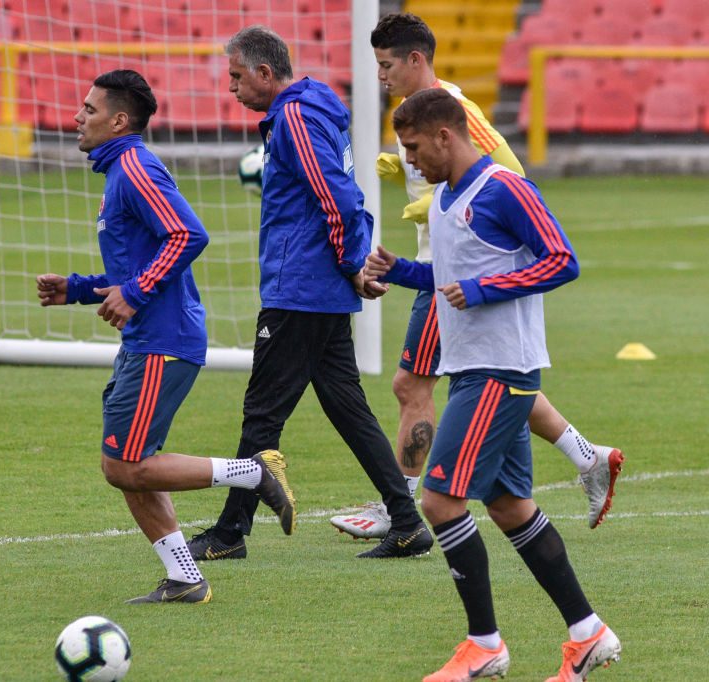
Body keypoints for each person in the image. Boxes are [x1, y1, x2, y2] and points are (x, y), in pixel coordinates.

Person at [330, 13, 623, 541]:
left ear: (415, 60)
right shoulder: (413, 115)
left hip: (463, 274)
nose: (381, 75)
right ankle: (588, 457)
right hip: (441, 270)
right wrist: (409, 177)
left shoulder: (454, 108)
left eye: (386, 64)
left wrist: (434, 205)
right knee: (494, 384)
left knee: (412, 384)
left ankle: (399, 505)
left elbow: (509, 174)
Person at [364, 88, 621, 682]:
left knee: (438, 499)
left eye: (413, 148)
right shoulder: (445, 199)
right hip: (471, 367)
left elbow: (562, 260)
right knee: (507, 505)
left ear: (446, 137)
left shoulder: (505, 188)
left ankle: (484, 644)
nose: (410, 161)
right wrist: (398, 270)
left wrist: (485, 292)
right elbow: (452, 275)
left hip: (501, 370)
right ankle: (589, 633)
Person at [36, 69, 296, 604]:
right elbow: (141, 258)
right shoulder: (119, 172)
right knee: (125, 465)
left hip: (164, 340)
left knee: (126, 465)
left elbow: (188, 234)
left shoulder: (134, 169)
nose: (77, 118)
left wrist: (134, 292)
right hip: (145, 339)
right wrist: (81, 289)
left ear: (119, 120)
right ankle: (184, 577)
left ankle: (251, 472)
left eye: (89, 109)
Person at [185, 26, 432, 562]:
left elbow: (337, 197)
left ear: (265, 74)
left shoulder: (295, 118)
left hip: (300, 287)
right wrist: (350, 267)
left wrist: (351, 266)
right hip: (316, 287)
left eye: (236, 76)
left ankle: (230, 533)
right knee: (347, 408)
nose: (231, 87)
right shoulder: (310, 110)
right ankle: (407, 521)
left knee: (262, 412)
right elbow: (345, 194)